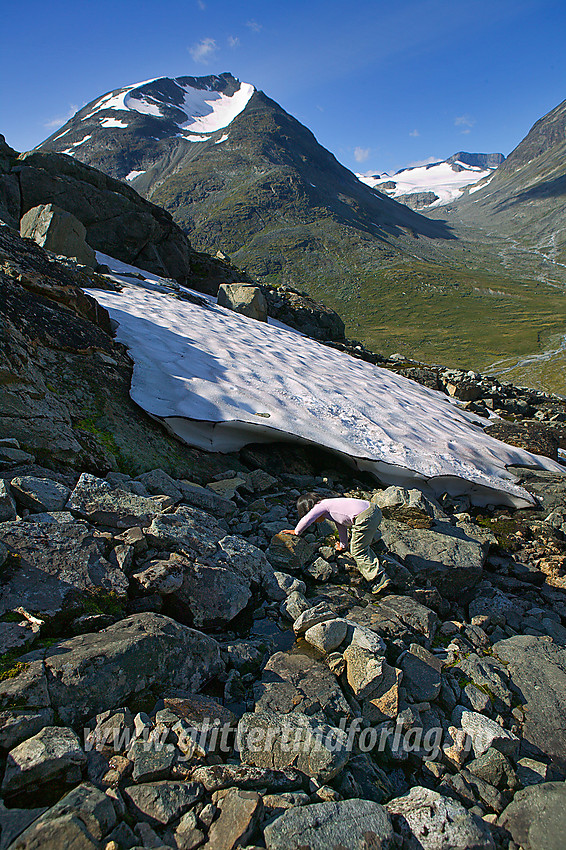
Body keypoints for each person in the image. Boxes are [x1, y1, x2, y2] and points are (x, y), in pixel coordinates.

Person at [281, 492, 391, 593]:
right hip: (373, 510)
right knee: (363, 538)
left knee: (357, 550)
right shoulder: (332, 505)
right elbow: (341, 525)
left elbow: (308, 518)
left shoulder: (320, 505)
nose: (315, 521)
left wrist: (296, 532)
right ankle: (375, 541)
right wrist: (343, 545)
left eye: (314, 519)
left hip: (364, 516)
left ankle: (378, 578)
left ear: (309, 508)